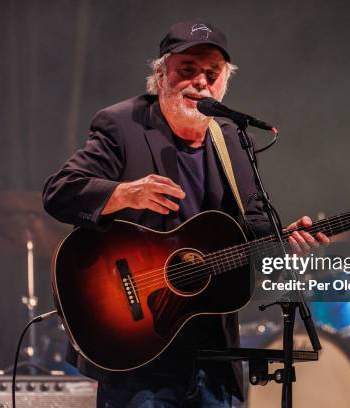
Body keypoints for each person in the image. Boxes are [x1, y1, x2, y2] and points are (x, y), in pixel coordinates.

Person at [43, 19, 329, 408]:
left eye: (212, 73)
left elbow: (258, 225)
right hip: (137, 353)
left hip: (212, 354)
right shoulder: (122, 125)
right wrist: (124, 193)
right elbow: (59, 193)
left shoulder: (231, 139)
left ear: (225, 82)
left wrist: (286, 237)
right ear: (161, 75)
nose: (200, 82)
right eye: (188, 70)